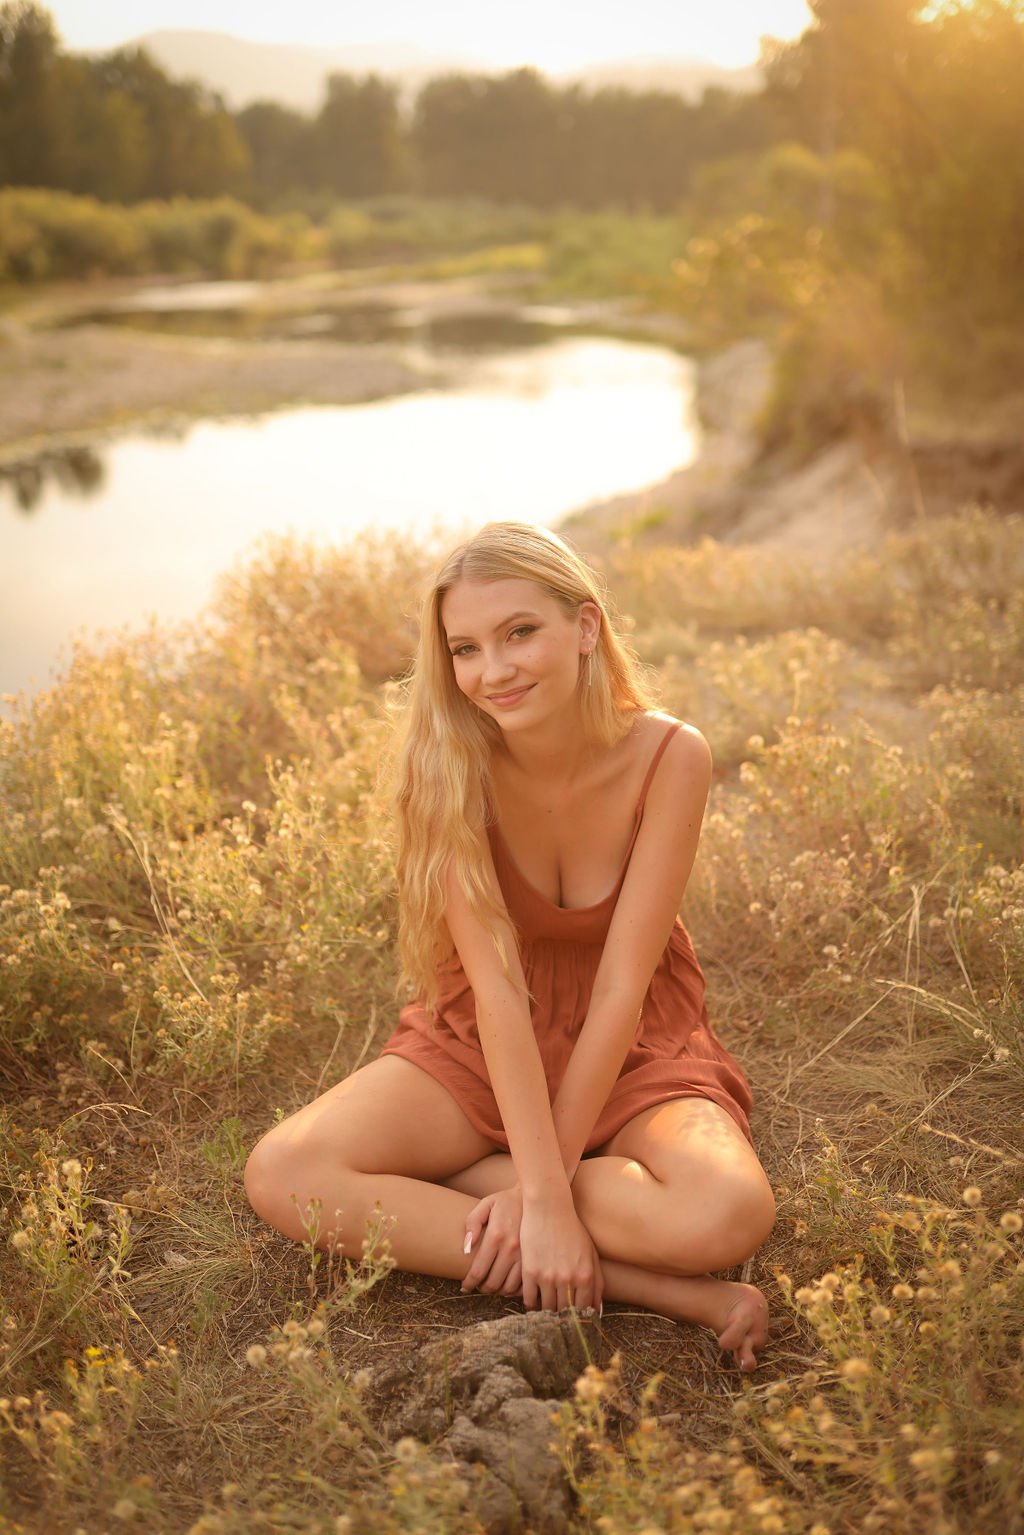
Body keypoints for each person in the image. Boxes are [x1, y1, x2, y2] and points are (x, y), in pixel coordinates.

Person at [244, 522, 776, 1372]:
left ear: (587, 628)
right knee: (283, 1171)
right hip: (488, 1034)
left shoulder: (672, 755)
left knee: (728, 1212)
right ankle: (664, 1289)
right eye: (465, 647)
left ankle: (470, 1182)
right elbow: (495, 994)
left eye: (520, 631)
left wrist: (547, 1176)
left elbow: (620, 988)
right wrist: (546, 1200)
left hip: (631, 1036)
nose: (493, 670)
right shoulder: (446, 766)